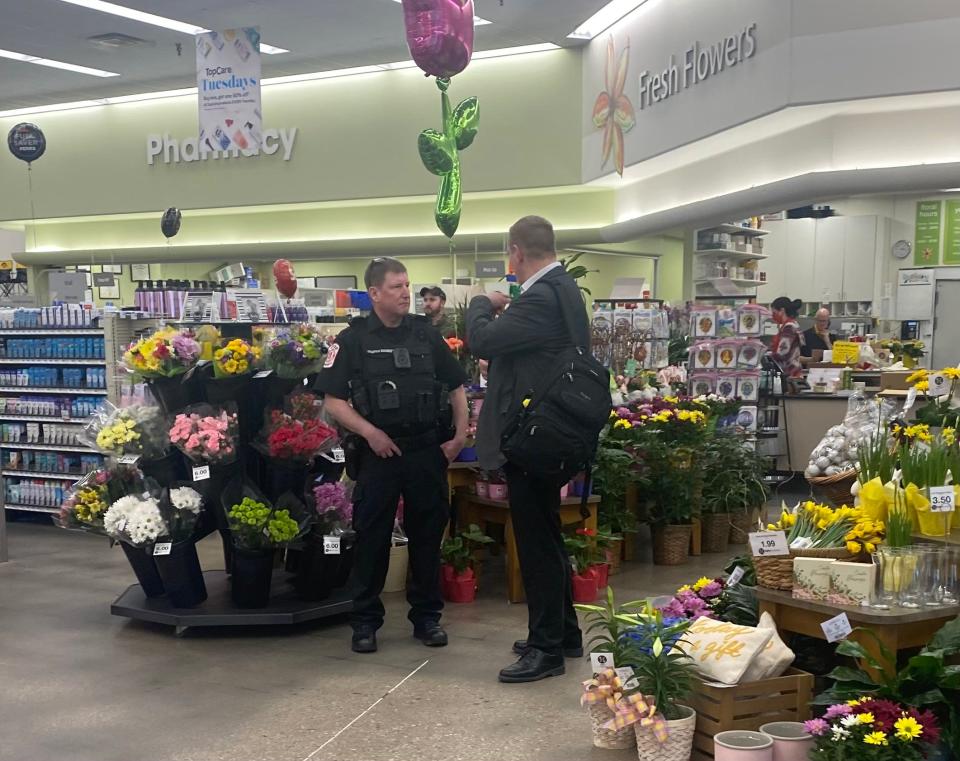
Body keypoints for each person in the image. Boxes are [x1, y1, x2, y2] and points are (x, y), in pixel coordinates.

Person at [316, 257, 469, 654]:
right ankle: (365, 622)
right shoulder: (351, 340)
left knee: (426, 538)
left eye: (407, 285)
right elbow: (333, 400)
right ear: (374, 293)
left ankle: (427, 619)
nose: (406, 293)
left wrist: (459, 436)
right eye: (397, 286)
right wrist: (371, 433)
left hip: (425, 449)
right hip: (378, 455)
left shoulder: (425, 335)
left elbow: (456, 388)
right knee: (371, 539)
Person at [466, 215, 587, 684]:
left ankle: (545, 648)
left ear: (516, 252)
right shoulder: (564, 290)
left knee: (536, 544)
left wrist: (481, 301)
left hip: (535, 436)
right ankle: (564, 633)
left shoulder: (539, 296)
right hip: (553, 431)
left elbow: (482, 338)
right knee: (547, 536)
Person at [770, 296, 805, 383]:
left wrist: (764, 357)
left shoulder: (789, 327)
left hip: (790, 375)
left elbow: (782, 352)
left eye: (774, 312)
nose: (772, 315)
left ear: (782, 311)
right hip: (794, 372)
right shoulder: (793, 323)